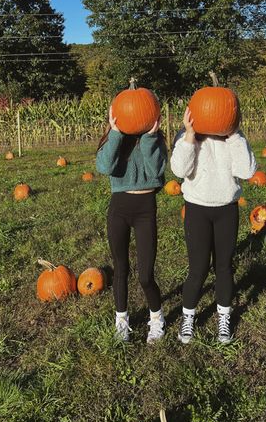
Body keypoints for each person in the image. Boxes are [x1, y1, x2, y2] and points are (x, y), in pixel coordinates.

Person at [170, 106, 256, 344]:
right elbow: (179, 169)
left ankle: (223, 317)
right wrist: (188, 136)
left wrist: (234, 134)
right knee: (197, 269)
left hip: (226, 209)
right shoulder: (188, 136)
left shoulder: (234, 138)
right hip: (197, 209)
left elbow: (247, 171)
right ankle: (188, 317)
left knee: (224, 267)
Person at [96, 105, 167, 343]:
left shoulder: (154, 139)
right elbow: (104, 167)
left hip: (145, 210)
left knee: (146, 274)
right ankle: (122, 321)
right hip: (119, 209)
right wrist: (115, 132)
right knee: (121, 268)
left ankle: (156, 319)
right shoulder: (115, 139)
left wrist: (149, 138)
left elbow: (156, 172)